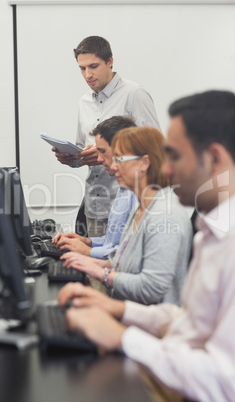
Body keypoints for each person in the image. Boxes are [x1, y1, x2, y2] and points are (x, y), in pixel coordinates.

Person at [58, 90, 235, 401]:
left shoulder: (187, 222)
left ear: (215, 158)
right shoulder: (210, 232)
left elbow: (223, 381)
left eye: (175, 157)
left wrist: (123, 338)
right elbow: (187, 320)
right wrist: (117, 308)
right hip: (170, 362)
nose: (166, 171)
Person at [62, 126, 192, 306]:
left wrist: (101, 273)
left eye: (120, 159)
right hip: (132, 310)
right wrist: (89, 264)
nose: (113, 166)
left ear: (145, 163)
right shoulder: (141, 207)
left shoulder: (165, 214)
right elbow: (123, 263)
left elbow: (150, 288)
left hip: (152, 324)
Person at [52, 36, 161, 237]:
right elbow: (82, 148)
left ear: (110, 61)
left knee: (120, 264)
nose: (87, 74)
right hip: (94, 206)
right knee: (94, 259)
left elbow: (156, 151)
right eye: (82, 68)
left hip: (127, 205)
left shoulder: (134, 95)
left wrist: (108, 153)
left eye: (93, 66)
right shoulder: (84, 102)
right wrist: (72, 158)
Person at [52, 116, 138, 260]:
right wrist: (86, 241)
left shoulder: (138, 194)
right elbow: (112, 242)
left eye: (102, 151)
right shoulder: (124, 188)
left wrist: (87, 252)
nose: (98, 160)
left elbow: (128, 255)